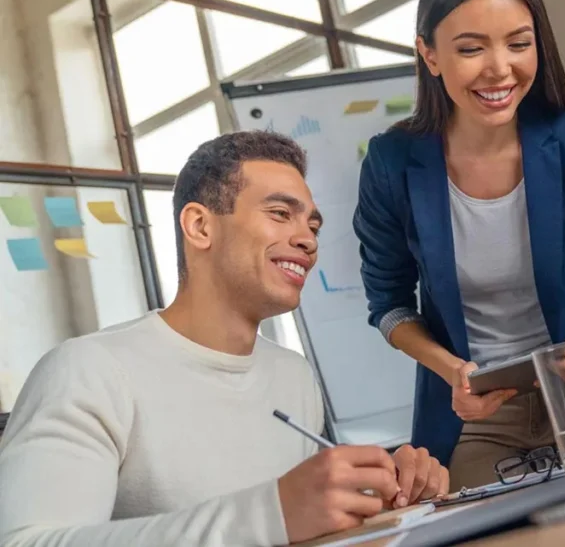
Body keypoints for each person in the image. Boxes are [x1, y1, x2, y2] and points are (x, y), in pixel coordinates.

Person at [0, 132, 448, 547]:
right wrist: (270, 514)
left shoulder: (292, 374)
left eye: (313, 226)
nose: (308, 241)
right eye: (280, 214)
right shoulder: (89, 370)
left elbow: (294, 525)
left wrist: (374, 499)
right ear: (199, 227)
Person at [353, 0, 565, 488]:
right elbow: (389, 306)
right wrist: (453, 372)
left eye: (519, 44)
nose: (500, 69)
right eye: (471, 48)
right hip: (475, 420)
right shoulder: (392, 164)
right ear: (430, 54)